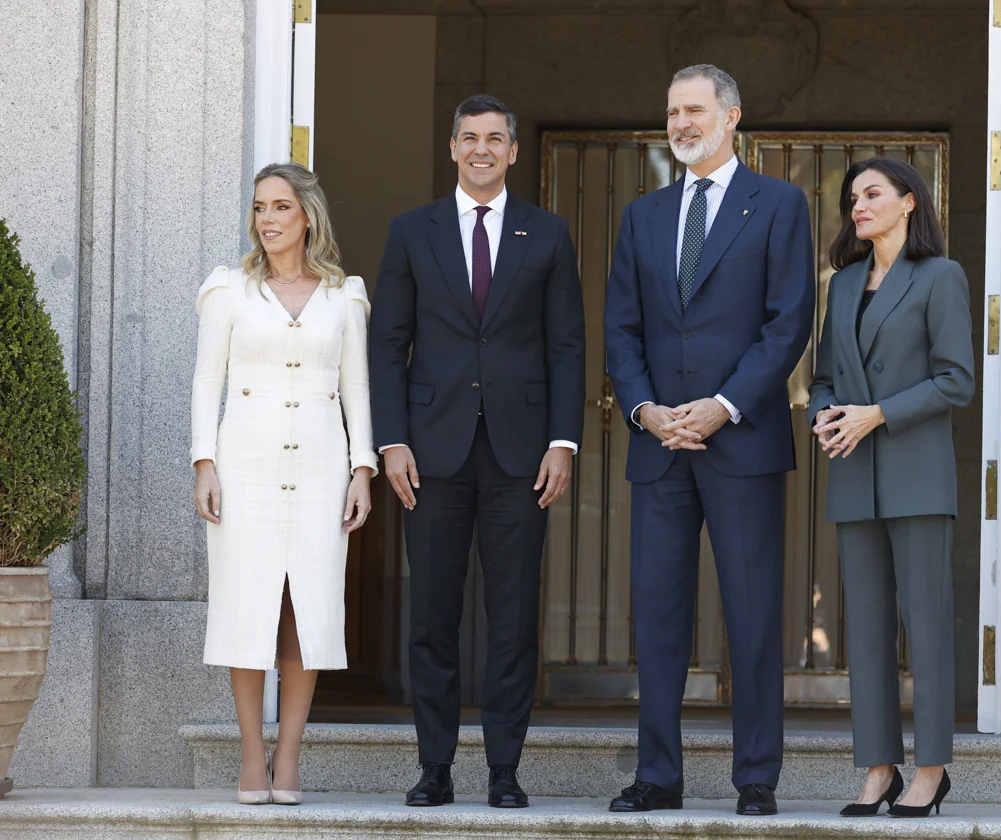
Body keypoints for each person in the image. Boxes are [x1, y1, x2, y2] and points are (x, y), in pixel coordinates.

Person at [603, 64, 815, 816]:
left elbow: (788, 323)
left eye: (694, 109)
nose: (680, 122)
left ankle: (755, 778)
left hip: (743, 441)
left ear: (731, 116)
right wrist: (645, 411)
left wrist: (725, 405)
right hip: (660, 447)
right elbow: (621, 328)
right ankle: (657, 776)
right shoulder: (643, 215)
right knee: (656, 617)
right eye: (672, 111)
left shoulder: (781, 205)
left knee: (753, 616)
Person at [369, 94, 586, 809]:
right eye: (471, 138)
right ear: (453, 148)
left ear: (514, 151)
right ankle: (434, 767)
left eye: (496, 138)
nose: (483, 149)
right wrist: (391, 439)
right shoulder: (411, 231)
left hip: (523, 457)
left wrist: (563, 440)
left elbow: (565, 344)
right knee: (431, 617)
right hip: (430, 455)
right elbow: (387, 344)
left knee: (512, 617)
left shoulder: (548, 234)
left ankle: (503, 769)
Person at [190, 162, 377, 805]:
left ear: (308, 216)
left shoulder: (343, 294)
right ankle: (250, 756)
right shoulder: (229, 290)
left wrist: (363, 469)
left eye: (280, 207)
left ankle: (289, 755)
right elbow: (205, 381)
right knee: (248, 607)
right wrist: (203, 462)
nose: (267, 220)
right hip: (246, 467)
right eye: (260, 208)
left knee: (308, 612)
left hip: (322, 468)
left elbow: (355, 388)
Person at [808, 157, 974, 818]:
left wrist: (878, 413)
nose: (859, 205)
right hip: (854, 477)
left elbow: (956, 379)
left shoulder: (941, 277)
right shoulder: (843, 284)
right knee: (867, 631)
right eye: (853, 197)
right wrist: (826, 412)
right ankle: (878, 768)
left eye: (872, 193)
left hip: (917, 476)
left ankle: (930, 770)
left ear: (909, 201)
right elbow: (822, 375)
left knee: (925, 628)